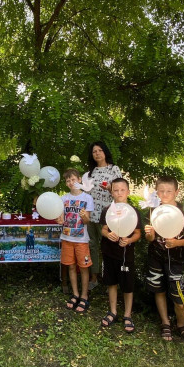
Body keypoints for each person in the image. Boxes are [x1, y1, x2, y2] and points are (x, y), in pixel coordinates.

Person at [143, 176, 184, 343]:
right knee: (159, 290)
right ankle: (165, 322)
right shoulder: (153, 210)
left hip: (177, 260)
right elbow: (149, 239)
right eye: (161, 191)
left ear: (176, 192)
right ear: (156, 192)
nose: (165, 194)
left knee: (178, 296)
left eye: (169, 191)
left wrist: (177, 243)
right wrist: (149, 234)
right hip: (156, 257)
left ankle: (181, 325)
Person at [99, 178, 142, 333]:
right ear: (111, 192)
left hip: (126, 255)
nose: (119, 193)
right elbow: (103, 229)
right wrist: (108, 234)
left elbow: (138, 233)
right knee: (112, 283)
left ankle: (127, 315)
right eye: (116, 190)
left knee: (128, 286)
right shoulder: (107, 210)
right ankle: (113, 311)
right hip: (109, 253)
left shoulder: (134, 211)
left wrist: (129, 240)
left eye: (122, 190)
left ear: (128, 192)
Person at [56, 168, 94, 313]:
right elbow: (60, 218)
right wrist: (59, 220)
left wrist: (84, 216)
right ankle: (75, 294)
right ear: (66, 184)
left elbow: (86, 221)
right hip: (66, 238)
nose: (71, 182)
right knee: (71, 266)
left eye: (73, 179)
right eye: (67, 180)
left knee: (84, 268)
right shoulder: (63, 199)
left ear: (79, 180)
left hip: (82, 240)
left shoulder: (87, 198)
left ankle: (84, 296)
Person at [86, 141, 122, 290]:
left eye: (100, 150)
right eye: (94, 151)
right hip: (91, 216)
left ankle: (110, 280)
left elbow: (121, 192)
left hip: (107, 216)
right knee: (92, 246)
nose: (97, 153)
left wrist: (110, 188)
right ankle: (94, 278)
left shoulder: (114, 169)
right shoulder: (90, 173)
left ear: (105, 152)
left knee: (108, 247)